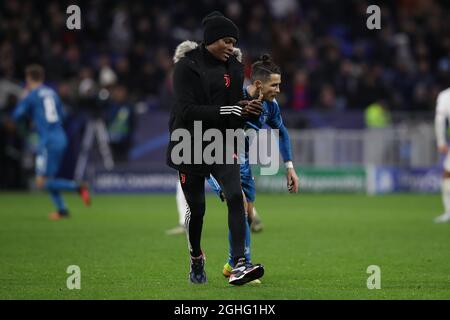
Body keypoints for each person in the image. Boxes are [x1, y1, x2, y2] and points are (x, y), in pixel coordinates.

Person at [166, 11, 265, 285]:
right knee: (197, 210)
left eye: (234, 41)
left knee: (236, 197)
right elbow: (186, 110)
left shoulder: (233, 66)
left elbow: (233, 105)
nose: (231, 47)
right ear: (210, 39)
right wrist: (229, 109)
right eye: (226, 40)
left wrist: (247, 109)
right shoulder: (186, 66)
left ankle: (239, 264)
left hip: (222, 142)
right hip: (189, 143)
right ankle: (196, 256)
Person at [8, 64, 91, 220]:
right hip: (60, 137)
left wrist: (24, 100)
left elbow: (16, 115)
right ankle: (62, 210)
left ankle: (77, 187)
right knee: (49, 179)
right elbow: (63, 115)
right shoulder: (52, 93)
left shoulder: (32, 95)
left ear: (29, 79)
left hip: (47, 141)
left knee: (42, 182)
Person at [434, 87, 450, 223]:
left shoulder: (445, 95)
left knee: (447, 174)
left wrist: (441, 141)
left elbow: (440, 119)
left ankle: (448, 212)